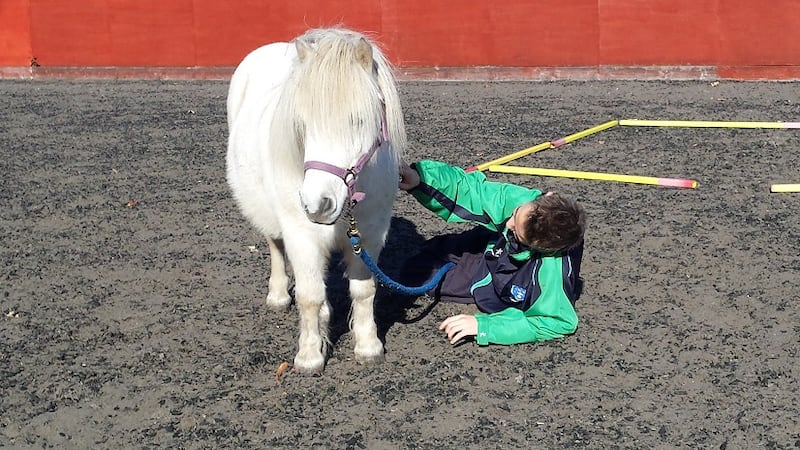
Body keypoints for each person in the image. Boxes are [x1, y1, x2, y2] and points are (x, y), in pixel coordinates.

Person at [397, 159, 587, 346]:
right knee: (428, 254)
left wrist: (483, 325)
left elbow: (556, 322)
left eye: (516, 232)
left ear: (542, 249)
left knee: (416, 277)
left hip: (502, 281)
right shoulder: (530, 203)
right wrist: (420, 180)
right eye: (515, 214)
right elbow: (474, 191)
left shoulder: (552, 269)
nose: (508, 223)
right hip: (492, 245)